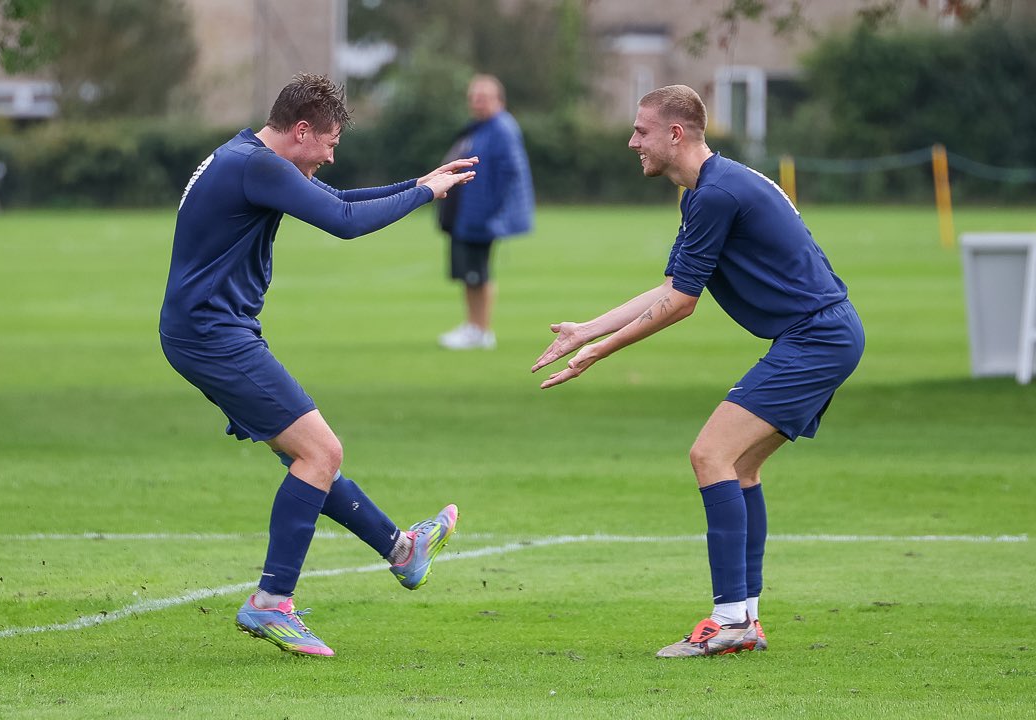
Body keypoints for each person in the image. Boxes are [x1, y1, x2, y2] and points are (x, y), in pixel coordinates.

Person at [531, 85, 864, 658]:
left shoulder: (715, 195)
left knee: (710, 455)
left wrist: (601, 352)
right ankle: (746, 619)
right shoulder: (708, 190)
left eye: (641, 130)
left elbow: (683, 305)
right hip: (822, 334)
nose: (632, 140)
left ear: (675, 134)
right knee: (740, 468)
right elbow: (671, 288)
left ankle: (728, 619)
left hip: (817, 336)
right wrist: (587, 329)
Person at [159, 72, 476, 657]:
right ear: (301, 130)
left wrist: (420, 182)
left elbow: (339, 202)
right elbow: (346, 225)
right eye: (329, 143)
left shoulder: (249, 158)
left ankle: (403, 551)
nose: (331, 156)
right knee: (321, 452)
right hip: (211, 335)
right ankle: (270, 603)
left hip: (205, 332)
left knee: (306, 456)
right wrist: (425, 195)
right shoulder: (256, 166)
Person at [437, 74, 534, 350]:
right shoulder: (479, 128)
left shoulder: (502, 128)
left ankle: (481, 330)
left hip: (482, 217)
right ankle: (472, 326)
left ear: (499, 100)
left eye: (483, 98)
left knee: (479, 274)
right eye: (473, 98)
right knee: (469, 274)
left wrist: (494, 212)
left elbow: (511, 172)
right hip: (467, 215)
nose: (477, 103)